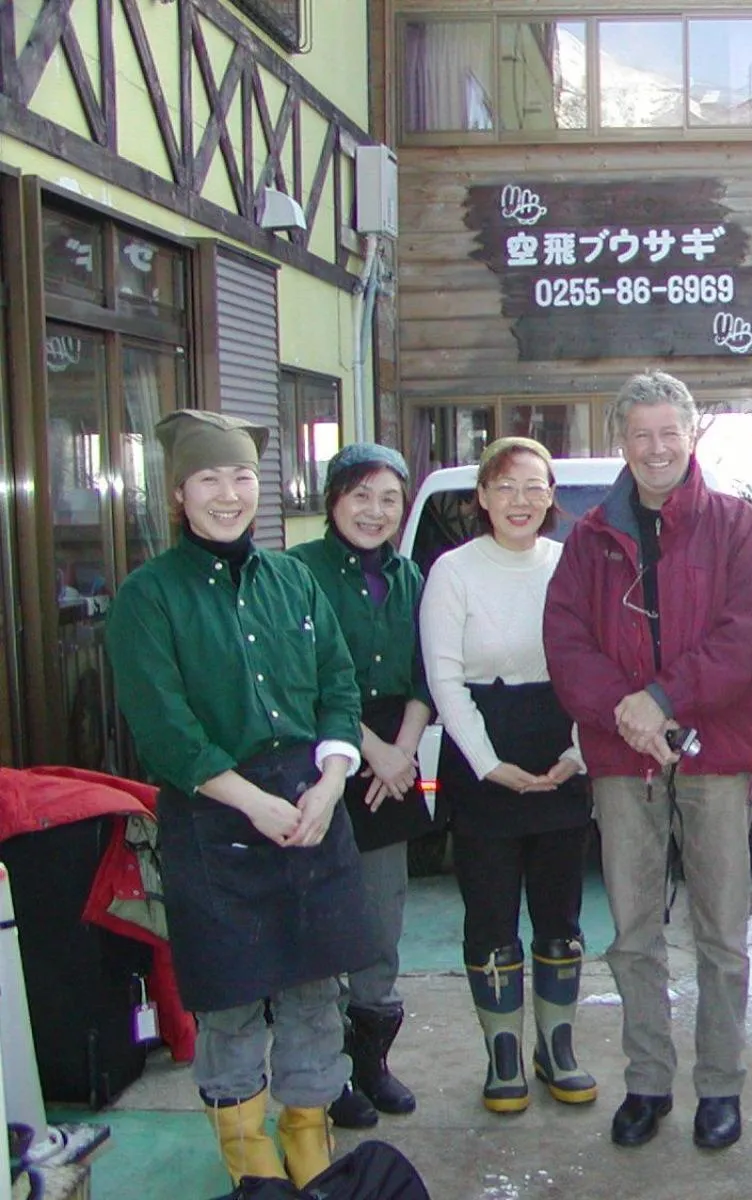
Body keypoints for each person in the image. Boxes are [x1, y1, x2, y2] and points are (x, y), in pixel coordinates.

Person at [106, 410, 367, 1188]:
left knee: (316, 993)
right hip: (212, 812)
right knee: (228, 1000)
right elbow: (165, 728)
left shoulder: (294, 579)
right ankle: (249, 1160)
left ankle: (309, 1143)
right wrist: (252, 802)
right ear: (179, 494)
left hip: (311, 804)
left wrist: (331, 780)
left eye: (244, 477)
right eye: (210, 479)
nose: (230, 495)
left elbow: (338, 686)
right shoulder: (147, 596)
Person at [545, 371, 752, 1152]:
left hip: (715, 752)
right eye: (639, 434)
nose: (655, 449)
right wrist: (627, 711)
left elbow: (746, 639)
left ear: (691, 435)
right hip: (622, 757)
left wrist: (663, 701)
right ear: (622, 442)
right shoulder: (588, 537)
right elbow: (566, 644)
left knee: (722, 933)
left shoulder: (736, 526)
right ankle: (648, 1081)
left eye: (667, 433)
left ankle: (721, 1086)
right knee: (634, 931)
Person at [419, 437, 595, 1114]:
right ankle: (502, 1057)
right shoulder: (453, 572)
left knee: (561, 917)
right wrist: (489, 764)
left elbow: (596, 661)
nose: (520, 501)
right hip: (482, 762)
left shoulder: (571, 564)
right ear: (483, 498)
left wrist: (579, 751)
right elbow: (444, 677)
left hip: (564, 751)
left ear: (552, 498)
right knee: (491, 917)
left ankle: (558, 1047)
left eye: (535, 487)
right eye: (506, 487)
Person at [286, 443, 437, 1130]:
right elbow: (308, 680)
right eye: (360, 496)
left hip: (392, 758)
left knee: (382, 915)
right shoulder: (296, 574)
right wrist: (371, 753)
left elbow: (422, 675)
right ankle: (326, 1072)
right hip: (321, 755)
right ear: (333, 500)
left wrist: (402, 753)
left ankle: (371, 1061)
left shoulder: (410, 577)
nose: (375, 511)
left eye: (388, 499)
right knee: (323, 919)